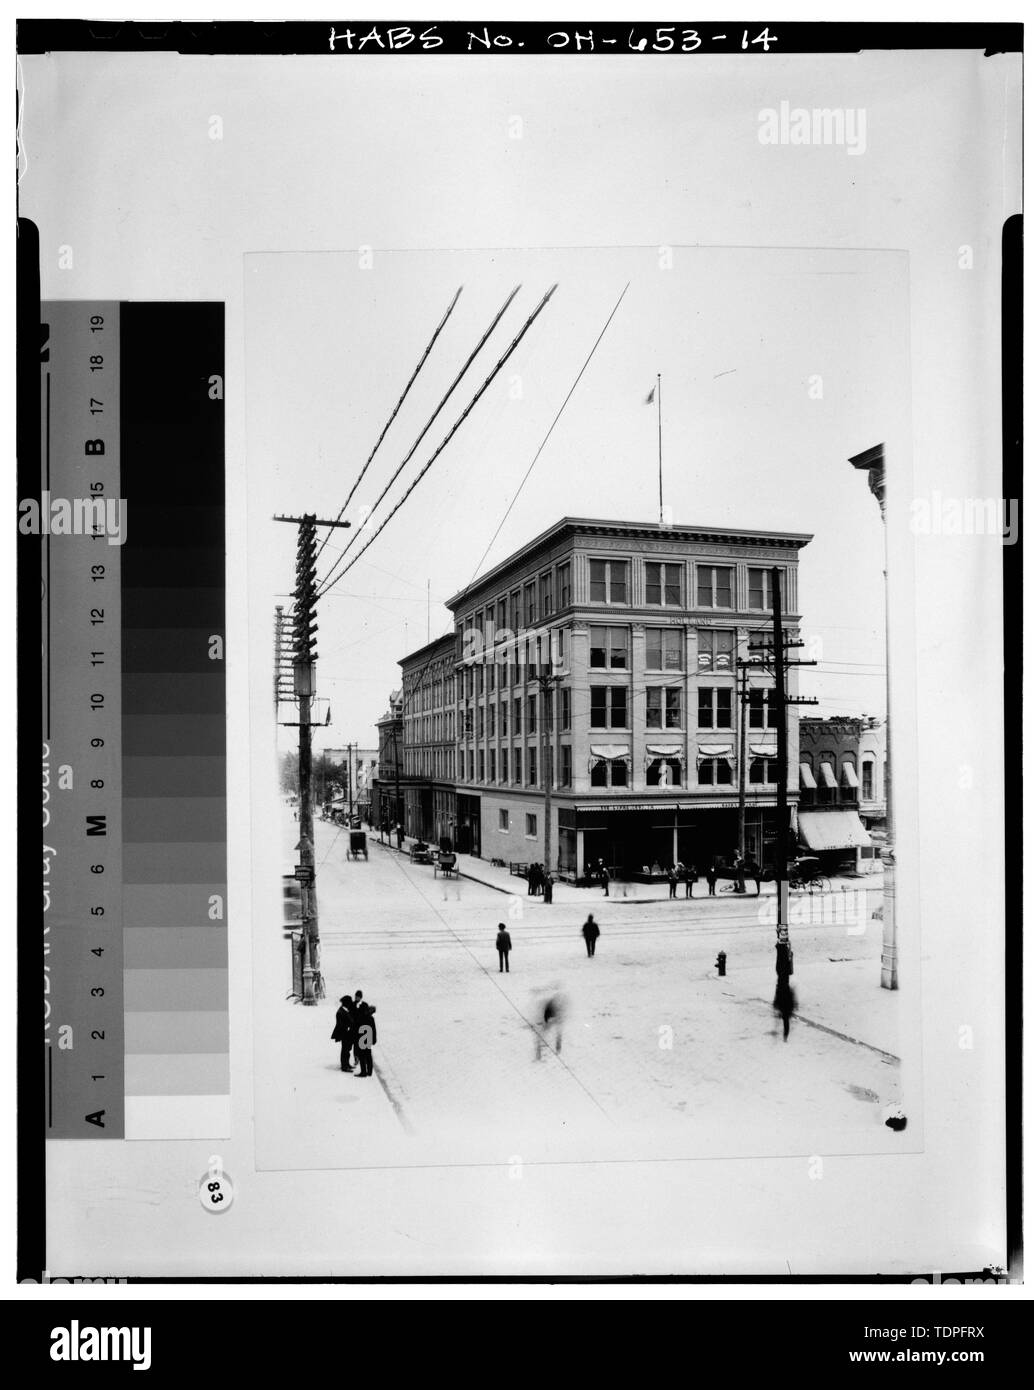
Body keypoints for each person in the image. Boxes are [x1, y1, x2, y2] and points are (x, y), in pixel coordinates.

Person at [536, 991, 566, 1060]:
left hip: (551, 1019)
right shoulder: (551, 1006)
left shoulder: (554, 1006)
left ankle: (557, 1046)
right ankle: (556, 1047)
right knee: (555, 1033)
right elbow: (547, 1015)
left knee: (556, 1033)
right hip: (550, 1019)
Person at [331, 995, 355, 1072]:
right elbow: (341, 1024)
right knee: (345, 1050)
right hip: (344, 1034)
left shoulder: (345, 1010)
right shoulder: (340, 1012)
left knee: (347, 1050)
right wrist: (348, 1028)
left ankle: (347, 1064)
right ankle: (344, 1066)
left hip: (348, 1033)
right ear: (346, 1003)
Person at [354, 1000, 377, 1075]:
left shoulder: (360, 1017)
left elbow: (357, 1029)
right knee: (368, 1055)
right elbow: (374, 1030)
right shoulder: (371, 1018)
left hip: (362, 1039)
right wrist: (374, 1039)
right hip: (369, 1039)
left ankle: (363, 1072)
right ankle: (369, 1071)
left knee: (362, 1056)